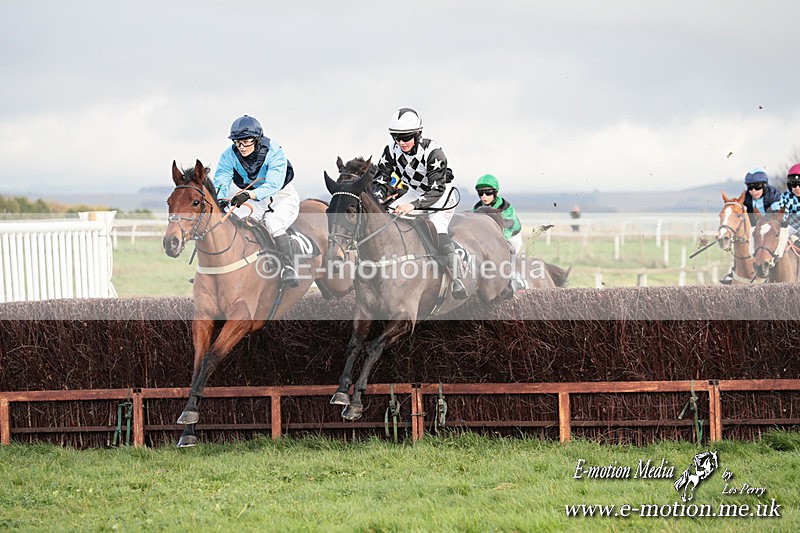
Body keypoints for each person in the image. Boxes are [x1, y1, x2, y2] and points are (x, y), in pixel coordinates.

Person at [371, 107, 467, 299]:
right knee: (386, 218)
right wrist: (379, 200)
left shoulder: (434, 152)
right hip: (415, 191)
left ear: (417, 134)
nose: (401, 142)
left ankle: (456, 278)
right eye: (396, 137)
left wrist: (412, 205)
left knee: (438, 227)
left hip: (440, 195)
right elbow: (380, 180)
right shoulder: (390, 151)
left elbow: (437, 189)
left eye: (406, 137)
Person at [213, 115, 300, 287]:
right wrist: (221, 199)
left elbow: (273, 184)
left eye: (246, 142)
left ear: (257, 139)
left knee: (273, 222)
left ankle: (288, 267)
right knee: (234, 220)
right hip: (254, 198)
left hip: (282, 196)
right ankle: (222, 269)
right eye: (237, 142)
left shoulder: (275, 151)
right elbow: (222, 178)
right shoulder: (228, 155)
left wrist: (248, 195)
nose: (241, 147)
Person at [720, 168, 781, 284]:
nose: (753, 191)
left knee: (772, 242)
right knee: (741, 242)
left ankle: (774, 272)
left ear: (764, 185)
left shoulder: (774, 195)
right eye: (750, 187)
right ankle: (734, 270)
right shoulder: (746, 197)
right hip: (757, 226)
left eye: (757, 187)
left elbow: (776, 216)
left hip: (773, 226)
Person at [472, 174, 526, 293]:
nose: (484, 196)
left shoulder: (505, 207)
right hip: (490, 238)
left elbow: (507, 230)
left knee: (504, 251)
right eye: (480, 193)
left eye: (488, 192)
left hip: (510, 237)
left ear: (495, 192)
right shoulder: (477, 207)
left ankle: (510, 277)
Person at [772, 163, 800, 257]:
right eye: (794, 184)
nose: (797, 188)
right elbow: (782, 211)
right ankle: (774, 259)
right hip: (791, 227)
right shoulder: (786, 196)